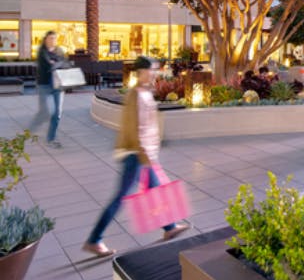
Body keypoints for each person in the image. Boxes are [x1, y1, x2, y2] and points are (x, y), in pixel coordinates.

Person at [83, 56, 189, 257]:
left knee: (154, 189)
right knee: (121, 197)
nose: (154, 73)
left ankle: (170, 227)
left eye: (156, 70)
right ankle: (94, 239)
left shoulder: (143, 92)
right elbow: (135, 129)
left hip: (144, 153)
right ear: (141, 71)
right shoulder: (136, 95)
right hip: (135, 155)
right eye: (151, 70)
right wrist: (145, 155)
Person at [28, 30, 66, 147]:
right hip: (44, 85)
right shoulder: (42, 51)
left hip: (58, 86)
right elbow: (48, 65)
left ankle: (51, 138)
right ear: (46, 39)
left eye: (54, 38)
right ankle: (30, 130)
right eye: (50, 38)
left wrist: (57, 63)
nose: (53, 40)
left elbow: (64, 63)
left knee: (57, 113)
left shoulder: (59, 51)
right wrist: (56, 63)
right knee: (45, 112)